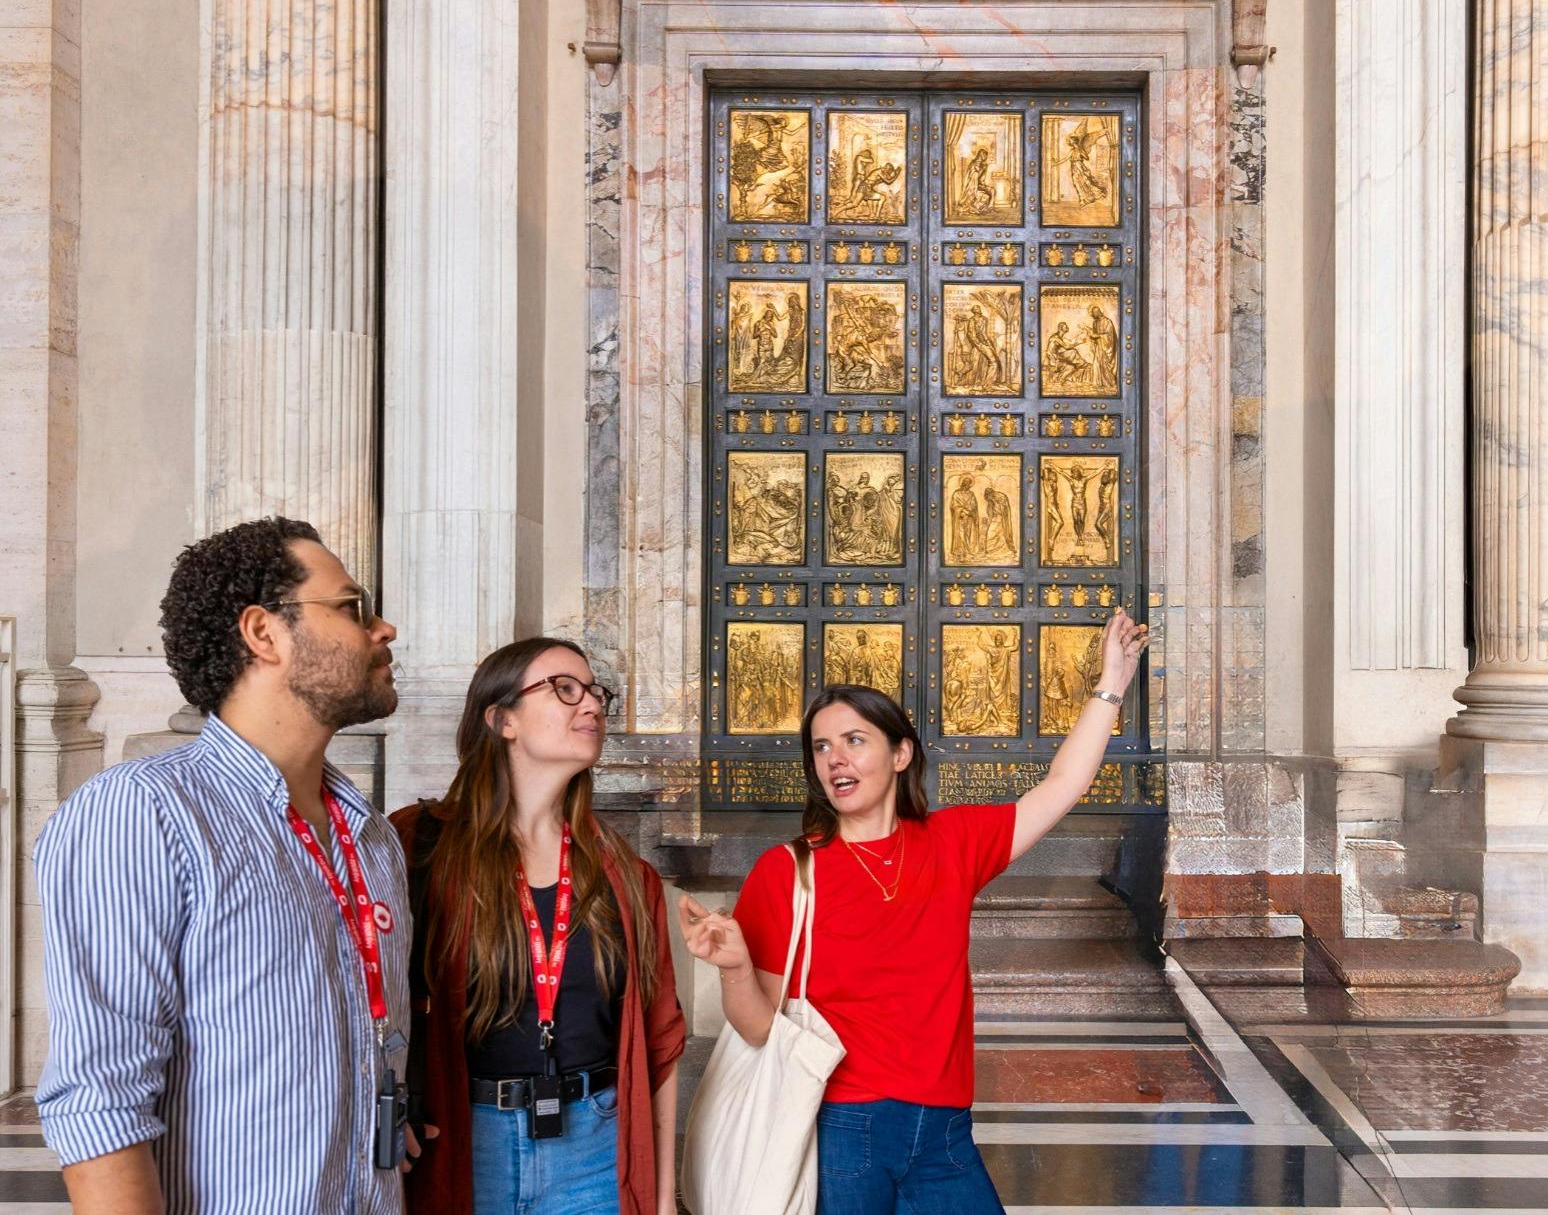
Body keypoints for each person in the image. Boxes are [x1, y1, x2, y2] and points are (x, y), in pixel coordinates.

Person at [679, 608, 1149, 1214]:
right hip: (843, 1125)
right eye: (822, 747)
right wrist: (736, 969)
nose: (835, 760)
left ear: (901, 754)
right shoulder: (789, 870)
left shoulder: (951, 842)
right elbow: (758, 1027)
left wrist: (1111, 683)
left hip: (946, 1126)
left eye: (854, 741)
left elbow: (1061, 785)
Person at [35, 516, 427, 1214]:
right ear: (263, 632)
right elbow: (101, 1106)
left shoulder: (369, 835)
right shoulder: (143, 815)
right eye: (350, 607)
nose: (383, 629)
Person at [392, 638, 685, 1215]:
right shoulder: (416, 845)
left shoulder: (625, 875)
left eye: (597, 692)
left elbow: (661, 1038)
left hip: (595, 1151)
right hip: (462, 1142)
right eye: (565, 689)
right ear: (502, 719)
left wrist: (663, 1198)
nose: (593, 706)